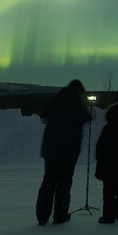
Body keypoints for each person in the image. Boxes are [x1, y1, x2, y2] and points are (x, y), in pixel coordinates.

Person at [36, 79, 92, 225]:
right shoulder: (76, 103)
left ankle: (42, 216)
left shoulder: (56, 99)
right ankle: (60, 215)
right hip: (68, 151)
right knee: (64, 182)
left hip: (51, 149)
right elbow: (87, 117)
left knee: (48, 180)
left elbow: (43, 113)